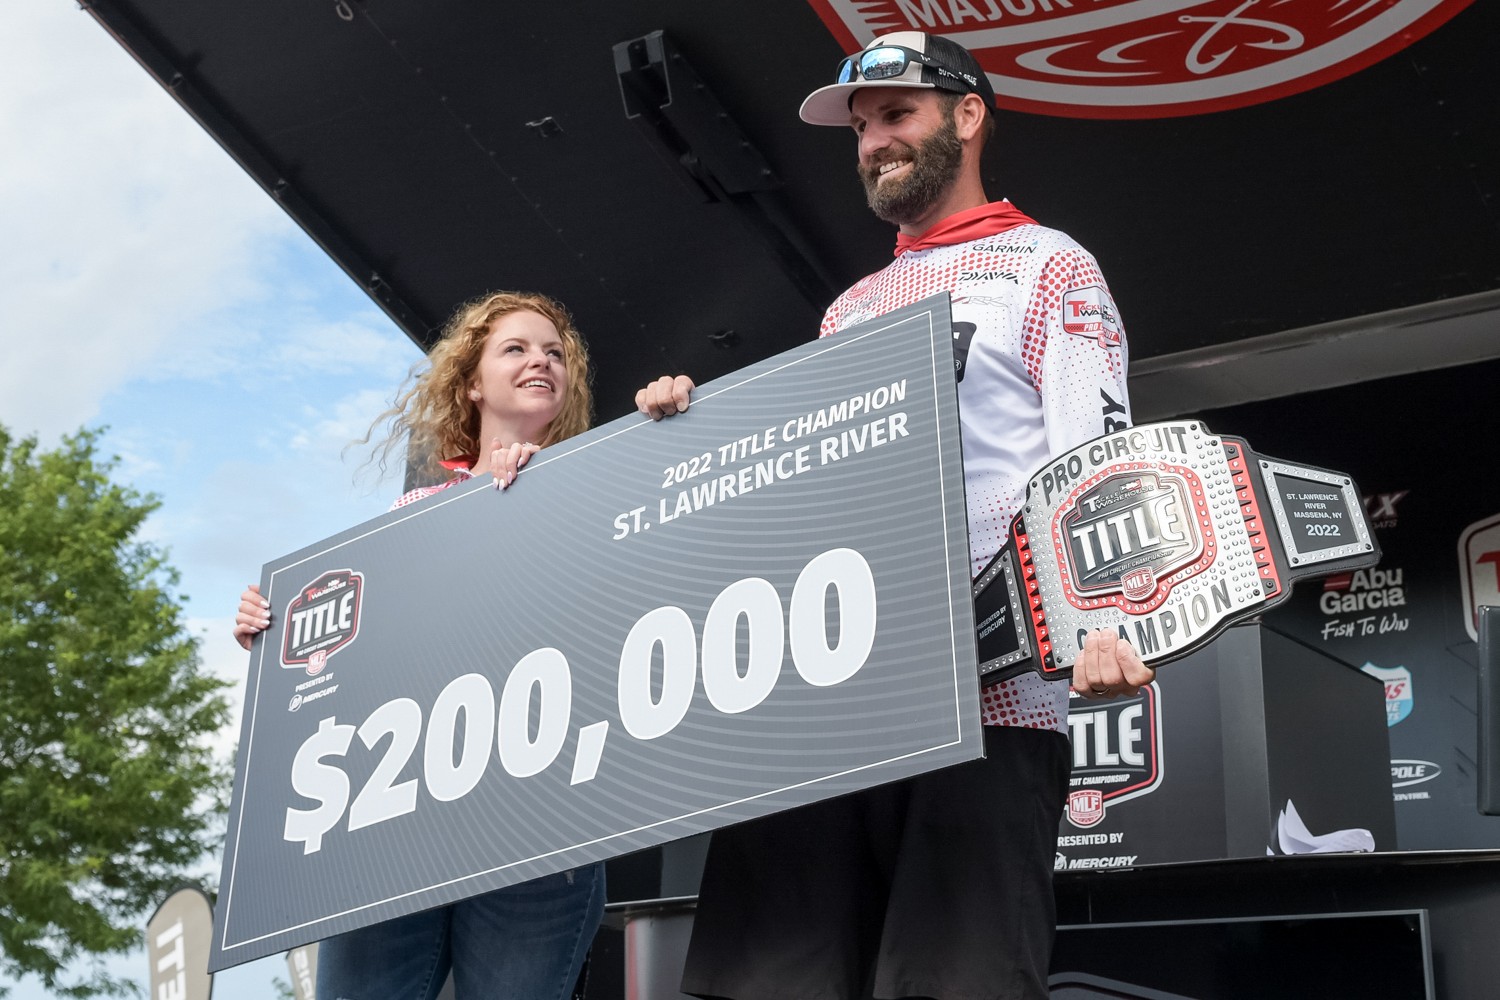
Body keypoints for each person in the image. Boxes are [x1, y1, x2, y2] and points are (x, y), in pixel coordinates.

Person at [635, 31, 1154, 1000]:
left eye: (897, 114)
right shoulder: (849, 310)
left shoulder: (1051, 265)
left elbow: (1097, 458)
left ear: (969, 116)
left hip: (992, 700)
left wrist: (1106, 620)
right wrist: (686, 434)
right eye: (863, 127)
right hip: (844, 704)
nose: (874, 141)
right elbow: (814, 497)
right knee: (778, 981)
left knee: (954, 983)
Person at [233, 290, 604, 1000]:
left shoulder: (600, 481)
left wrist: (663, 425)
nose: (542, 361)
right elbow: (361, 661)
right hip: (393, 822)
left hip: (539, 817)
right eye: (517, 348)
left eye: (555, 353)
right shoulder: (409, 514)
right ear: (472, 383)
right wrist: (275, 640)